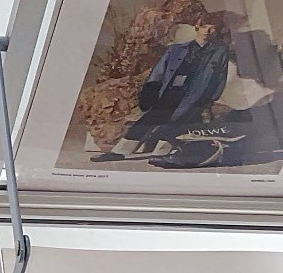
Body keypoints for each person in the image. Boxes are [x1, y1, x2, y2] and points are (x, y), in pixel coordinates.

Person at [93, 13, 234, 163]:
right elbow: (159, 72)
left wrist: (210, 99)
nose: (207, 31)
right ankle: (119, 151)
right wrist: (151, 90)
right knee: (149, 119)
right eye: (204, 27)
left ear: (217, 31)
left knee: (177, 122)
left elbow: (220, 77)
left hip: (195, 95)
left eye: (212, 28)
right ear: (197, 27)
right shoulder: (177, 49)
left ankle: (161, 153)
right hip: (171, 90)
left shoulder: (220, 52)